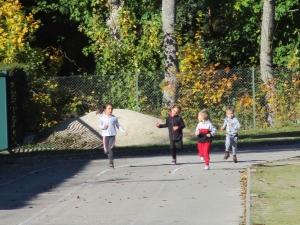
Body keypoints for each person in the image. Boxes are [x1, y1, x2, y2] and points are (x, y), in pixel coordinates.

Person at [97, 103, 128, 169]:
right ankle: (109, 155)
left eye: (111, 109)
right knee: (106, 151)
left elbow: (118, 126)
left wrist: (123, 131)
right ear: (105, 110)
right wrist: (103, 127)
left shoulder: (114, 118)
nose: (110, 110)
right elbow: (100, 125)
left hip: (112, 136)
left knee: (110, 148)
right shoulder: (102, 118)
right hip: (105, 136)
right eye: (109, 109)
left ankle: (111, 162)